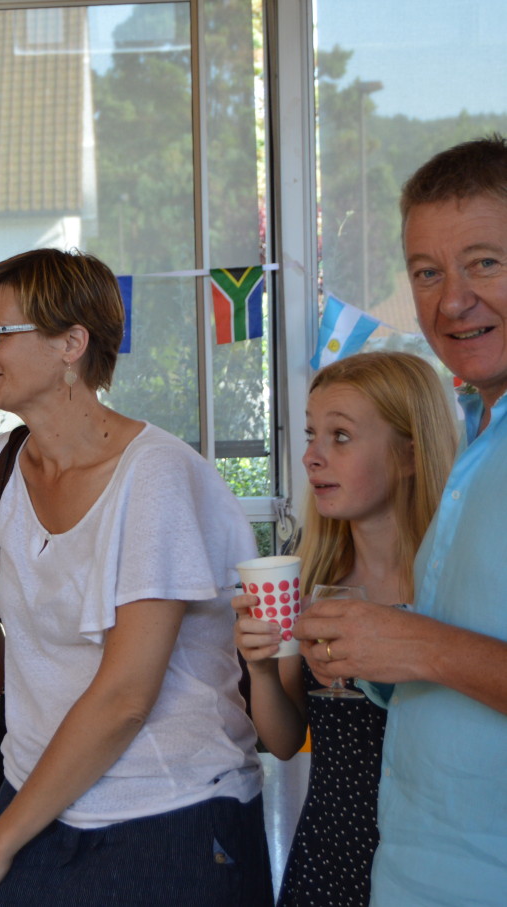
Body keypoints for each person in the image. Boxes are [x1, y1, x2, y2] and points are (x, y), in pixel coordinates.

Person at [0, 248, 270, 906]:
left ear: (71, 344)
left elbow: (126, 695)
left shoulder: (154, 475)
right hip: (35, 794)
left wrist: (0, 842)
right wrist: (28, 717)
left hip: (168, 808)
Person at [295, 134, 507, 904]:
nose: (451, 300)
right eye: (426, 271)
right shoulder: (481, 442)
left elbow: (444, 653)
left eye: (483, 262)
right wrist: (375, 653)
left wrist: (416, 643)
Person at [234, 352, 455, 905]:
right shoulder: (312, 580)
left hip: (437, 862)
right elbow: (285, 741)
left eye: (341, 436)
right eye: (312, 434)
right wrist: (261, 668)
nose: (312, 456)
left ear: (410, 453)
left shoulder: (457, 585)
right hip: (328, 860)